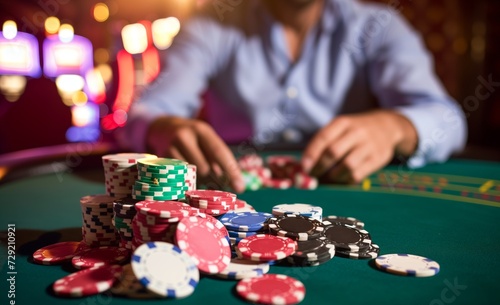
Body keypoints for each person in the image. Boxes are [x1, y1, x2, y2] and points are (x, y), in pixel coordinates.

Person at [123, 0, 467, 193]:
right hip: (230, 184)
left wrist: (396, 127)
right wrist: (163, 127)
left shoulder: (379, 25)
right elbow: (148, 112)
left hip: (344, 188)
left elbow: (448, 119)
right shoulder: (211, 23)